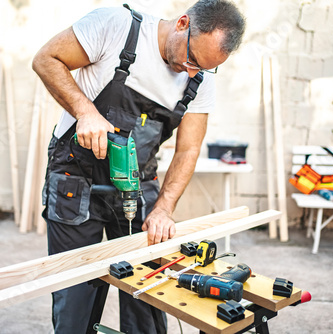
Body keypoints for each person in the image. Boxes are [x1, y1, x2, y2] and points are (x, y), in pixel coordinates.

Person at [32, 0, 245, 332]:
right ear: (182, 23)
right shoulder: (117, 25)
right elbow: (46, 59)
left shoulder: (199, 79)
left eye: (203, 68)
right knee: (75, 297)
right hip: (75, 176)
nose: (191, 72)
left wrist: (164, 208)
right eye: (191, 60)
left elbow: (188, 150)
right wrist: (85, 112)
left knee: (149, 293)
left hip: (137, 184)